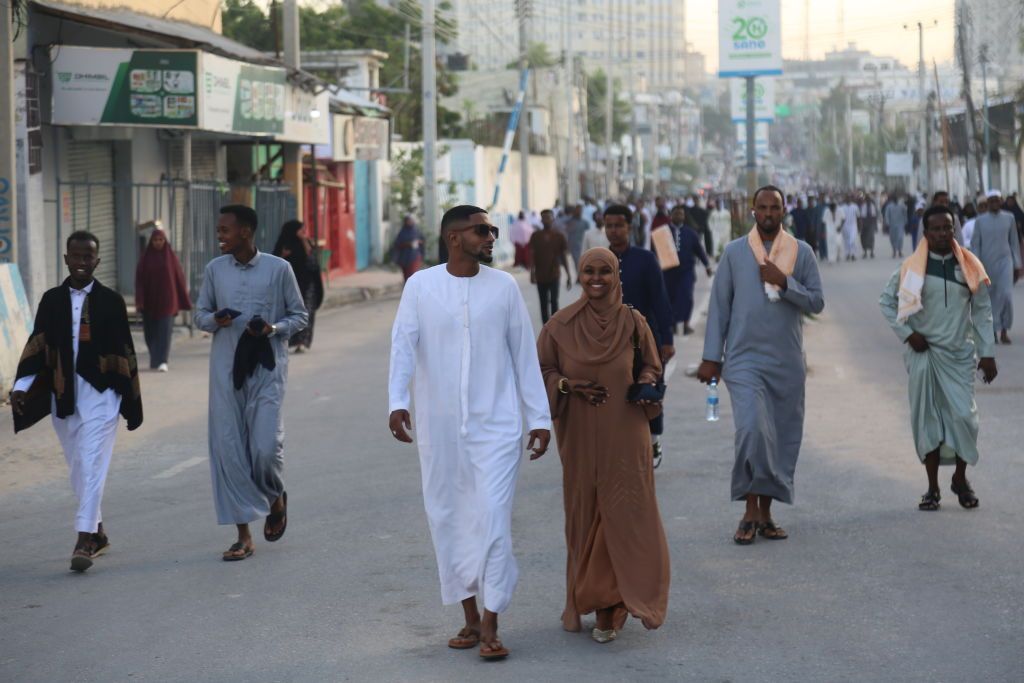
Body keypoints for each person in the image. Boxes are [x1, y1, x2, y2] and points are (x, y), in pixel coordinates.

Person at [388, 204, 551, 660]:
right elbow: (403, 345)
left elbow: (524, 355)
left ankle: (493, 622)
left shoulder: (503, 287)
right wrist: (397, 402)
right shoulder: (421, 285)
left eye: (493, 230)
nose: (491, 237)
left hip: (497, 427)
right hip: (440, 429)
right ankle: (469, 618)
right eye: (483, 230)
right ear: (453, 237)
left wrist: (538, 418)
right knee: (449, 518)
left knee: (494, 521)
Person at [536, 247, 670, 644]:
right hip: (578, 435)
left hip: (626, 430)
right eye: (589, 271)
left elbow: (651, 363)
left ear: (616, 276)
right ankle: (597, 600)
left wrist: (645, 382)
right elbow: (541, 370)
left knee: (627, 510)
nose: (596, 279)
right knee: (587, 510)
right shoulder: (559, 326)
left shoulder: (632, 321)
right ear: (579, 275)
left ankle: (618, 602)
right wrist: (565, 385)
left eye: (604, 272)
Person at [697, 186, 825, 544]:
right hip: (742, 360)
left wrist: (784, 282)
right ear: (753, 211)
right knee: (752, 430)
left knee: (779, 438)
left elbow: (816, 301)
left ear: (784, 211)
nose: (769, 213)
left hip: (786, 362)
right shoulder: (736, 253)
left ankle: (764, 514)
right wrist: (711, 357)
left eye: (775, 208)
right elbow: (720, 306)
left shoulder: (802, 253)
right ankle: (749, 508)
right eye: (763, 207)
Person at [10, 230, 143, 572]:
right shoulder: (51, 300)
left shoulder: (112, 301)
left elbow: (124, 353)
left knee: (91, 460)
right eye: (77, 256)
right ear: (66, 258)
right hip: (63, 393)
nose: (82, 262)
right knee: (78, 467)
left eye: (89, 257)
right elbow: (36, 346)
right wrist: (22, 386)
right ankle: (98, 531)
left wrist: (130, 400)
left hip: (102, 395)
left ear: (97, 261)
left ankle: (84, 537)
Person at [195, 205, 308, 562]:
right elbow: (200, 316)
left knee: (263, 449)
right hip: (226, 372)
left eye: (225, 230)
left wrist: (273, 329)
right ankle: (243, 536)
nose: (220, 236)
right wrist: (217, 319)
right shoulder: (215, 270)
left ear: (245, 232)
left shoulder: (279, 269)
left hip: (267, 371)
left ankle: (276, 498)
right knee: (230, 452)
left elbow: (299, 315)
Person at [879, 205, 996, 511]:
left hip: (959, 356)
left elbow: (982, 311)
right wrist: (907, 334)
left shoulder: (969, 266)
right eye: (936, 229)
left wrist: (987, 354)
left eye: (948, 228)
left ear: (954, 230)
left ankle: (960, 479)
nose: (943, 234)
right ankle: (932, 489)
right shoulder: (910, 268)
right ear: (926, 233)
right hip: (924, 355)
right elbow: (886, 301)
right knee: (928, 421)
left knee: (964, 419)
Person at [604, 204, 675, 466]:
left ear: (630, 227)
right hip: (609, 343)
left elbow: (660, 300)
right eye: (609, 225)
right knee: (615, 395)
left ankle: (654, 441)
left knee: (649, 392)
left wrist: (667, 339)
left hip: (646, 340)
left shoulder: (645, 259)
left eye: (619, 225)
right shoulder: (599, 260)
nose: (614, 230)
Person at [970, 190, 1023, 343]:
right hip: (986, 264)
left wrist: (1017, 264)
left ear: (1001, 201)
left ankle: (1004, 330)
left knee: (1006, 296)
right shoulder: (980, 221)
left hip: (1005, 262)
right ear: (987, 203)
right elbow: (975, 244)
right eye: (991, 201)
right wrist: (976, 265)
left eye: (997, 200)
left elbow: (1014, 242)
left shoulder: (1009, 218)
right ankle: (992, 330)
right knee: (990, 298)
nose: (994, 203)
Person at [134, 226, 191, 371]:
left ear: (165, 241)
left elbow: (179, 279)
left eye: (161, 240)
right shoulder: (145, 259)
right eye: (155, 240)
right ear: (151, 241)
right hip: (150, 302)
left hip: (167, 302)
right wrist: (139, 300)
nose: (158, 242)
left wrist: (182, 299)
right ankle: (155, 359)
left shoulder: (171, 258)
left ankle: (163, 361)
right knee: (150, 333)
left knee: (164, 332)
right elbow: (139, 281)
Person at [660, 205, 713, 335]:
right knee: (670, 297)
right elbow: (655, 252)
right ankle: (671, 324)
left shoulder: (691, 233)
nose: (679, 217)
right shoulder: (663, 233)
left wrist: (707, 265)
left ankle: (685, 324)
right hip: (668, 271)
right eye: (676, 214)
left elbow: (699, 250)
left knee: (687, 296)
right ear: (670, 215)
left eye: (681, 214)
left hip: (686, 271)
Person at [274, 219, 324, 352]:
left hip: (308, 285)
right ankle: (289, 341)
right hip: (290, 285)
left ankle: (302, 342)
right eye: (301, 230)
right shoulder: (284, 244)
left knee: (306, 312)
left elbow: (312, 263)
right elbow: (275, 265)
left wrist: (304, 241)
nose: (304, 232)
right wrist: (283, 256)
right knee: (290, 314)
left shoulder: (306, 244)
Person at [529, 209, 573, 324]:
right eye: (544, 218)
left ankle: (554, 325)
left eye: (548, 217)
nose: (546, 220)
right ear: (541, 220)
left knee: (554, 301)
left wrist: (568, 275)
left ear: (553, 219)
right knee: (543, 303)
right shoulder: (535, 236)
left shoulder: (559, 236)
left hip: (554, 273)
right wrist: (532, 273)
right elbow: (532, 255)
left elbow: (563, 257)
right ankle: (546, 328)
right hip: (540, 274)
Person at [389, 215, 427, 282]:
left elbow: (422, 240)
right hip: (404, 257)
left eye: (410, 220)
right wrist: (407, 244)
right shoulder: (402, 232)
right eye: (408, 221)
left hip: (414, 256)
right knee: (406, 277)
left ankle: (413, 290)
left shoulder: (416, 231)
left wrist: (419, 242)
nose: (409, 222)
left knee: (412, 275)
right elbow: (397, 244)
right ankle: (407, 290)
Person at [884, 191, 908, 258]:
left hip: (900, 224)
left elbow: (905, 213)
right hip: (892, 225)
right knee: (893, 238)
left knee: (900, 238)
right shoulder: (889, 206)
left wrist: (905, 221)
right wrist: (887, 223)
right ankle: (894, 251)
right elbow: (887, 215)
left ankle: (900, 251)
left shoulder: (902, 205)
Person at [840, 195, 860, 261]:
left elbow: (858, 216)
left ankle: (853, 254)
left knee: (853, 240)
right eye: (847, 198)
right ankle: (847, 254)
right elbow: (841, 218)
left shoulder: (855, 206)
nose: (848, 199)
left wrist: (860, 226)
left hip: (853, 226)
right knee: (846, 241)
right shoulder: (842, 207)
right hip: (845, 226)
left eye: (849, 198)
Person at [859, 193, 878, 259]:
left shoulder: (872, 206)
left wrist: (875, 225)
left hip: (871, 224)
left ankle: (872, 252)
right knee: (864, 238)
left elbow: (874, 216)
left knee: (871, 238)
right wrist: (861, 225)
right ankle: (865, 252)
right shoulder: (863, 206)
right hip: (865, 224)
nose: (868, 200)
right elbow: (861, 216)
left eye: (868, 199)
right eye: (867, 199)